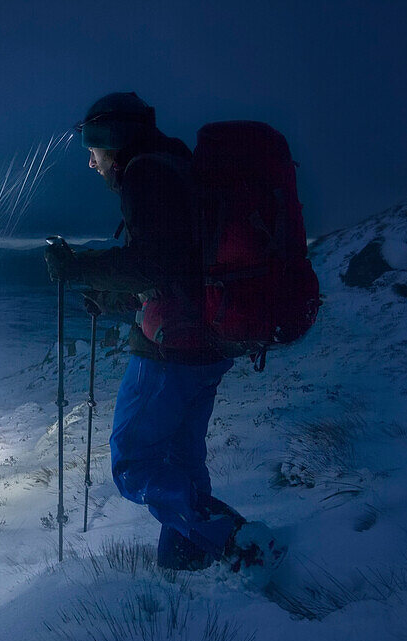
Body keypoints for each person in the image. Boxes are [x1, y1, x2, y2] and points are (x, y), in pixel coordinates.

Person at [46, 92, 263, 572]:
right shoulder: (176, 165)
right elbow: (177, 265)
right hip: (208, 341)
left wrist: (77, 267)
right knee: (183, 462)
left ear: (111, 140)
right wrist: (115, 295)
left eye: (92, 149)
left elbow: (152, 262)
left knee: (134, 466)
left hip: (171, 352)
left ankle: (236, 540)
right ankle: (187, 565)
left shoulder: (145, 173)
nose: (90, 162)